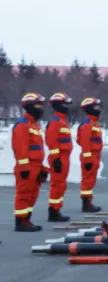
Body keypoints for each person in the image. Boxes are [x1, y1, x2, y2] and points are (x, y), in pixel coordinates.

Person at [12, 93, 49, 232]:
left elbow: (37, 148)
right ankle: (20, 222)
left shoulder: (34, 125)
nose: (40, 108)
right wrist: (24, 167)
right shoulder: (22, 125)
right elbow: (20, 148)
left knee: (32, 194)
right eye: (38, 105)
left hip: (36, 166)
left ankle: (27, 219)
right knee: (24, 194)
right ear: (29, 107)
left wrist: (42, 168)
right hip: (26, 167)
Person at [44, 92, 74, 223]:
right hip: (59, 158)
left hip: (64, 157)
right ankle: (53, 212)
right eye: (65, 104)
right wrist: (56, 159)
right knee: (57, 184)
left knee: (61, 185)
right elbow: (51, 141)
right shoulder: (55, 122)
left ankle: (57, 209)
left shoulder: (63, 121)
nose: (67, 107)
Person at [76, 97, 104, 213]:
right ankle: (86, 204)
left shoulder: (94, 123)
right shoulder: (87, 124)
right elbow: (84, 142)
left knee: (91, 180)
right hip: (90, 157)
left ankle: (89, 202)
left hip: (95, 155)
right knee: (87, 180)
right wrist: (87, 159)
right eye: (96, 107)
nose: (98, 109)